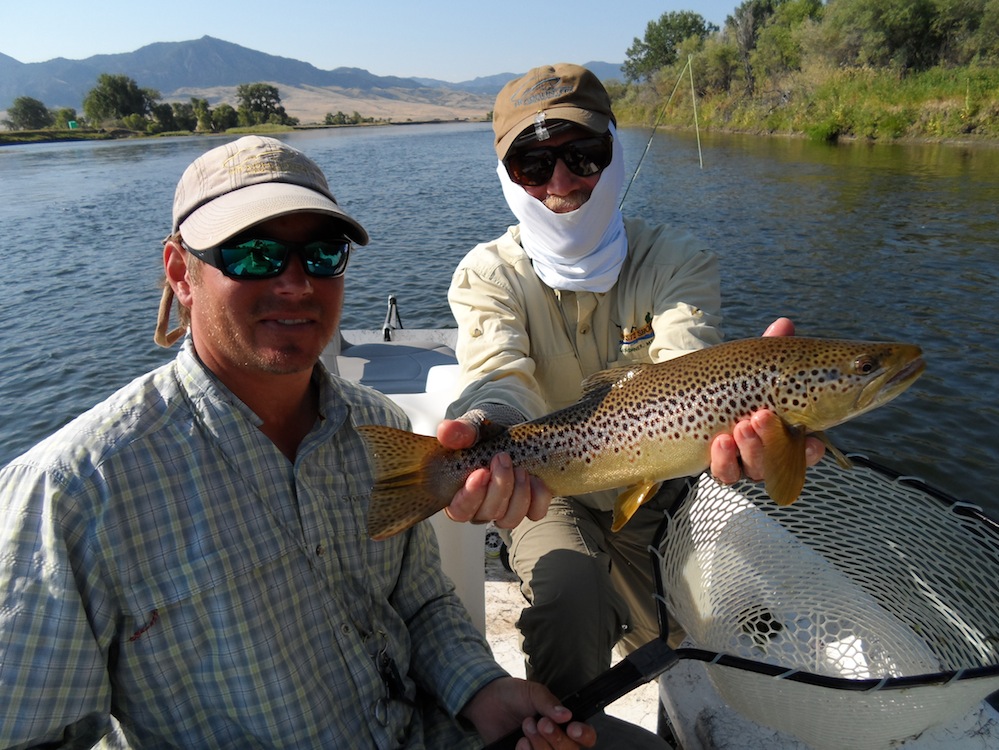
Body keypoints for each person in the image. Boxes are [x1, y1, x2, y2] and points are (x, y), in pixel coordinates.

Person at [0, 135, 597, 750]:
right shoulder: (68, 494)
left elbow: (420, 606)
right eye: (253, 253)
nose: (294, 282)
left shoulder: (377, 428)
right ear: (181, 273)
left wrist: (481, 692)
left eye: (321, 254)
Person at [436, 65, 824, 747]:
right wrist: (481, 427)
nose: (561, 184)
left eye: (582, 156)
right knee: (570, 597)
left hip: (663, 485)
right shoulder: (487, 274)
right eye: (533, 163)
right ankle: (565, 730)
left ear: (613, 152)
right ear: (508, 174)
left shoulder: (678, 257)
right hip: (545, 487)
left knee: (733, 626)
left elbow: (684, 364)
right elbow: (502, 379)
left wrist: (754, 389)